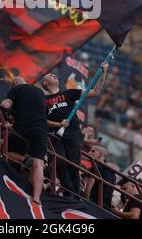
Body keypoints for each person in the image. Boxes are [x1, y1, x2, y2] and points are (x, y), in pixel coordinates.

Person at [42, 61, 109, 196]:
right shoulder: (42, 100)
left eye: (54, 74)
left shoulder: (69, 93)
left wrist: (104, 72)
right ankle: (69, 190)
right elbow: (43, 121)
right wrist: (59, 124)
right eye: (50, 75)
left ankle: (75, 194)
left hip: (72, 131)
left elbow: (95, 92)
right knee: (59, 162)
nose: (53, 75)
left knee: (73, 164)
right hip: (55, 134)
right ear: (45, 83)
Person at [1, 77, 48, 204]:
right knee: (39, 164)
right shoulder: (40, 92)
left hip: (22, 127)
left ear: (14, 84)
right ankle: (37, 198)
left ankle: (24, 160)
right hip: (40, 129)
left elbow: (6, 104)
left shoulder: (16, 89)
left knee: (4, 148)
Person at [84, 145, 116, 211]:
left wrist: (85, 205)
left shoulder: (96, 168)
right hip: (105, 209)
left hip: (93, 205)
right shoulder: (112, 173)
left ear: (100, 154)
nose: (89, 153)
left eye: (93, 151)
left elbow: (87, 192)